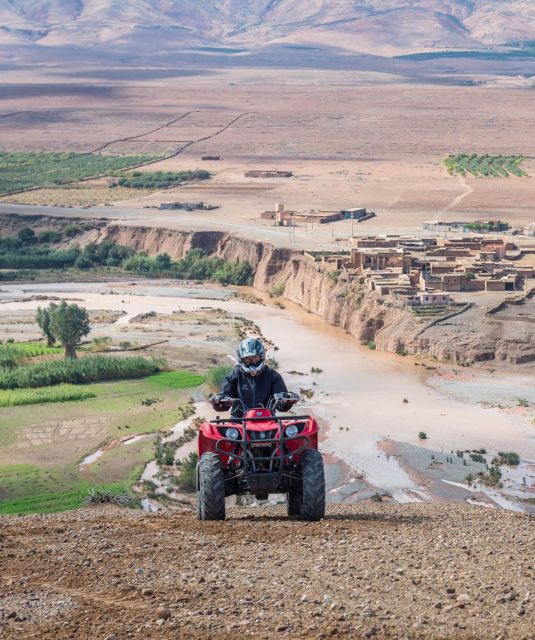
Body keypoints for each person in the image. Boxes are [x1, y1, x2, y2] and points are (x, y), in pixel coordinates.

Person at [213, 338, 289, 416]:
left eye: (255, 358)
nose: (251, 362)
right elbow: (224, 400)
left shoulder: (272, 375)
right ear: (241, 359)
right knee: (213, 428)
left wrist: (287, 400)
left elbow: (282, 406)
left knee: (289, 427)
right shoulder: (235, 374)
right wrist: (218, 400)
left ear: (261, 356)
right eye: (247, 359)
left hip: (267, 419)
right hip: (239, 420)